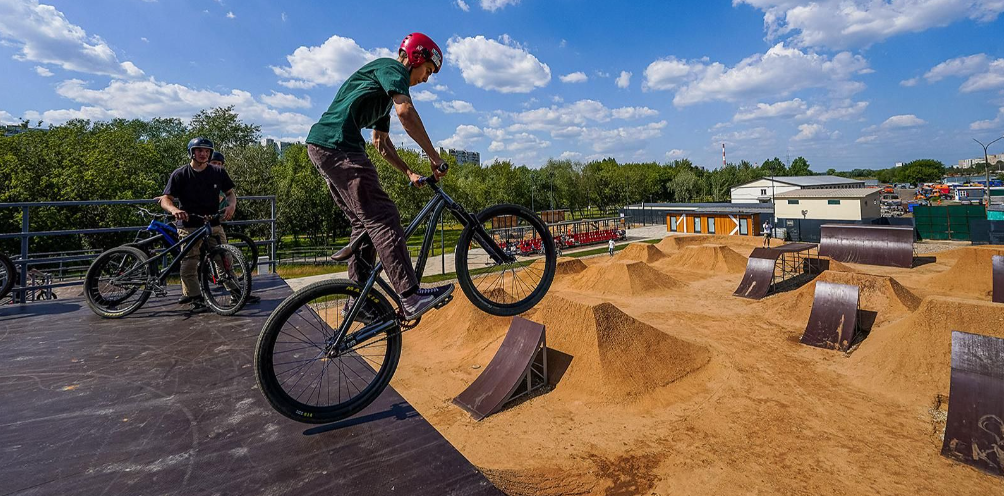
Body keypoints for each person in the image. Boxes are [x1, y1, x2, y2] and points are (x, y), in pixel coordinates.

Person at [305, 32, 452, 320]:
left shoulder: (382, 90)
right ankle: (410, 296)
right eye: (428, 71)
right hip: (339, 146)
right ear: (415, 58)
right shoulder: (393, 69)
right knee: (383, 216)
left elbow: (380, 143)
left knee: (364, 224)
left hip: (324, 147)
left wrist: (409, 171)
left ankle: (357, 302)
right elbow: (406, 112)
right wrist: (435, 158)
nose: (426, 79)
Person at [160, 137, 240, 312]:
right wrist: (174, 210)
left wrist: (231, 205)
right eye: (199, 150)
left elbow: (230, 193)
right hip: (189, 224)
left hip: (213, 222)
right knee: (190, 261)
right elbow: (166, 199)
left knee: (224, 258)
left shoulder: (218, 172)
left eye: (207, 151)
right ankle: (194, 297)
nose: (203, 154)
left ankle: (236, 292)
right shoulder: (180, 174)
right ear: (192, 152)